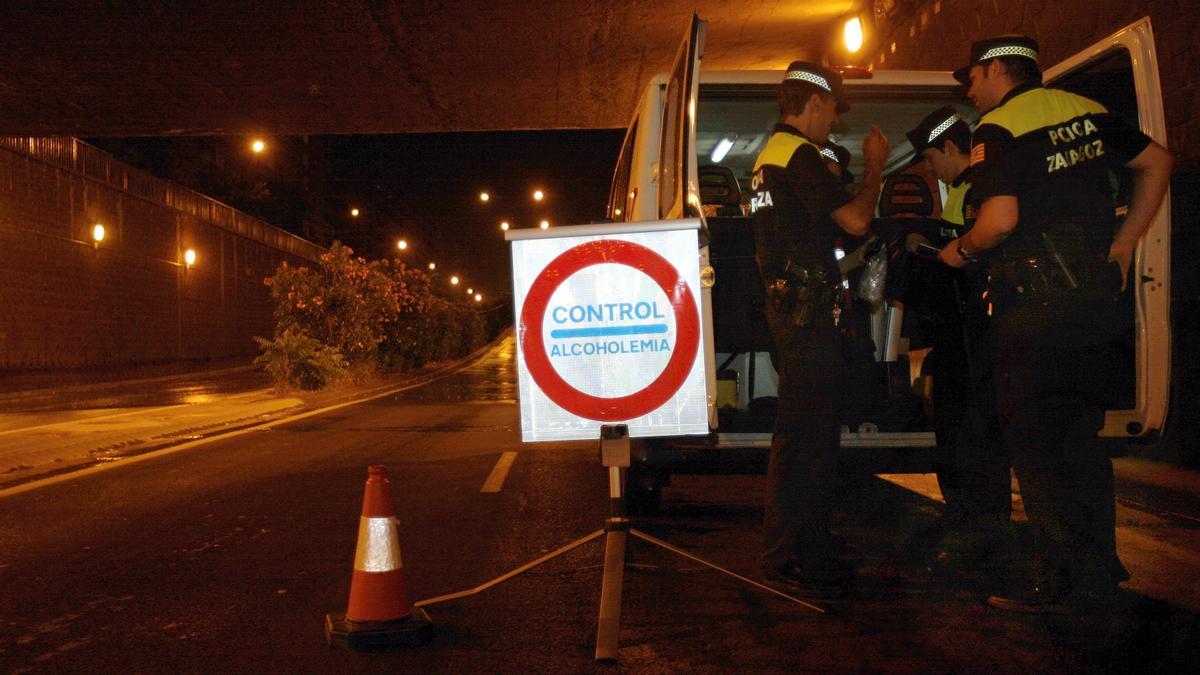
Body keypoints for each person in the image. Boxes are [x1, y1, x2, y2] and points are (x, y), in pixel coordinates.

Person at [938, 36, 1174, 612]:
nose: (970, 89)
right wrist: (1123, 244)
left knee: (1037, 449)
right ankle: (1099, 565)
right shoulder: (1087, 112)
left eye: (973, 76)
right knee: (1082, 444)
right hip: (1095, 307)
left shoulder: (997, 129)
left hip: (1033, 312)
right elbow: (1159, 162)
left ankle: (1063, 581)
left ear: (997, 70)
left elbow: (998, 221)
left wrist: (961, 253)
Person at [751, 60, 889, 597]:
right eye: (834, 108)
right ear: (814, 102)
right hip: (809, 319)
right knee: (810, 441)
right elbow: (855, 221)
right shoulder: (797, 154)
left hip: (792, 315)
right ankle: (804, 554)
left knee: (798, 437)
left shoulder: (770, 158)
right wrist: (875, 168)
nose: (835, 120)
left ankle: (790, 546)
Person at [905, 106, 1011, 568]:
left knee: (973, 432)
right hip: (960, 334)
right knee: (958, 427)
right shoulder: (962, 190)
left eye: (931, 158)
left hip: (975, 334)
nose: (929, 169)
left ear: (950, 147)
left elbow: (971, 254)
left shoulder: (979, 188)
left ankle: (982, 531)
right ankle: (972, 523)